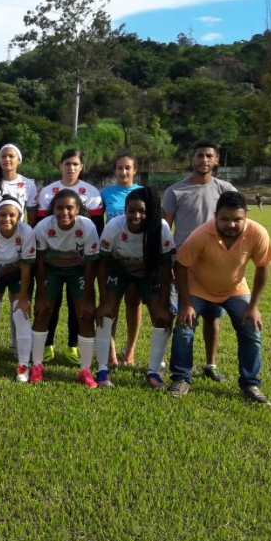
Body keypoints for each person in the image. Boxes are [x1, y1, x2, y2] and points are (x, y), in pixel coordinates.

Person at [168, 192, 271, 404]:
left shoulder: (257, 233)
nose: (231, 225)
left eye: (237, 219)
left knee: (251, 328)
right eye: (225, 219)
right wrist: (186, 304)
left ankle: (250, 383)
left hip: (234, 289)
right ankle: (181, 378)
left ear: (246, 216)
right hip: (198, 287)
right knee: (184, 327)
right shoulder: (201, 234)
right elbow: (180, 267)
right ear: (216, 215)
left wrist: (253, 307)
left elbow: (263, 269)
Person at [162, 140, 236, 383]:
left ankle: (210, 364)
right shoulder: (176, 191)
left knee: (213, 316)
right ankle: (166, 362)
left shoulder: (227, 191)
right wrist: (169, 264)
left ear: (216, 160)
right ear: (192, 159)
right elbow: (165, 229)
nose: (204, 159)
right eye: (199, 155)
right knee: (178, 314)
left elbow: (237, 226)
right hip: (183, 265)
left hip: (215, 266)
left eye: (209, 155)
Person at [93, 187, 174, 389]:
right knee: (106, 313)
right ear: (125, 210)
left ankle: (154, 371)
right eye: (131, 210)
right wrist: (103, 301)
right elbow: (102, 263)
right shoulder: (114, 226)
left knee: (162, 317)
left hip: (148, 273)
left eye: (142, 211)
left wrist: (164, 304)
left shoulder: (160, 228)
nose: (136, 216)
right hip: (118, 270)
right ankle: (103, 368)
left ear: (152, 211)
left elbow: (166, 267)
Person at [37, 148, 104, 365]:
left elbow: (97, 226)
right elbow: (41, 224)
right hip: (53, 259)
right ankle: (47, 344)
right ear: (60, 166)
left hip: (79, 259)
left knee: (79, 306)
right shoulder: (48, 191)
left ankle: (73, 346)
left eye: (75, 164)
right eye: (67, 163)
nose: (71, 167)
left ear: (81, 166)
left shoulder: (91, 191)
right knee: (50, 303)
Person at [30, 189, 100, 386]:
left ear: (78, 209)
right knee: (42, 313)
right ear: (53, 209)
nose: (64, 212)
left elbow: (91, 264)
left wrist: (87, 298)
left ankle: (85, 370)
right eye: (59, 208)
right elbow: (40, 263)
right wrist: (41, 296)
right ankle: (36, 366)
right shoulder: (43, 227)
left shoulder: (87, 227)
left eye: (70, 208)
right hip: (51, 271)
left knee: (85, 315)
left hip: (78, 272)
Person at [0, 197, 36, 380]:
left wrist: (22, 297)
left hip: (19, 274)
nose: (7, 219)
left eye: (12, 215)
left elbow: (27, 267)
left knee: (21, 313)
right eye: (3, 214)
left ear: (20, 216)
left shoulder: (27, 232)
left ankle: (23, 364)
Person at [100, 152, 144, 366]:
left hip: (138, 259)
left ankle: (130, 351)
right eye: (119, 168)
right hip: (114, 258)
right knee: (111, 305)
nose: (123, 172)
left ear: (135, 170)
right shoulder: (106, 193)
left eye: (128, 168)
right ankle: (111, 353)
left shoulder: (143, 193)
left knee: (134, 303)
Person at [0, 143, 38, 228]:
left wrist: (22, 236)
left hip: (17, 238)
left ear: (19, 160)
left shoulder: (28, 184)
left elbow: (32, 219)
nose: (7, 159)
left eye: (11, 156)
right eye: (3, 156)